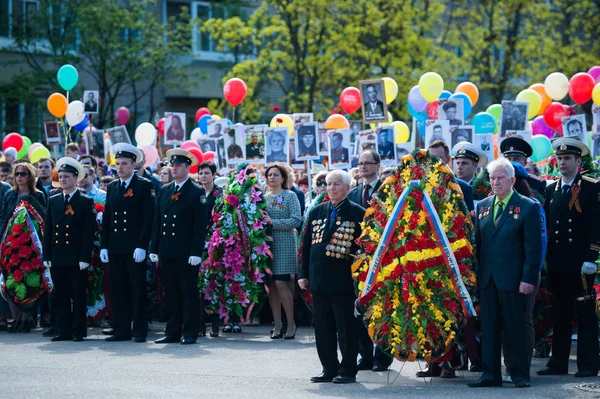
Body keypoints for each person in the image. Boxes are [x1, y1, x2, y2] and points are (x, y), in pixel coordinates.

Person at [468, 158, 541, 389]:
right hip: (488, 280)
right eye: (492, 178)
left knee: (515, 328)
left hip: (514, 279)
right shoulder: (482, 206)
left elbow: (533, 248)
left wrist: (528, 279)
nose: (495, 182)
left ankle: (520, 375)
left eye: (500, 178)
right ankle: (490, 374)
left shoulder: (528, 207)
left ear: (512, 180)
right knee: (489, 329)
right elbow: (478, 245)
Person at [537, 138, 600, 378]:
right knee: (560, 313)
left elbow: (596, 225)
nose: (562, 162)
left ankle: (588, 364)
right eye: (560, 158)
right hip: (558, 262)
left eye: (567, 158)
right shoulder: (551, 189)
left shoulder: (591, 187)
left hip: (582, 262)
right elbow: (550, 227)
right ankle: (558, 362)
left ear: (578, 161)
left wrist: (592, 256)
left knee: (584, 314)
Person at [299, 170, 364, 384]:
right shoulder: (317, 211)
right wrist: (303, 274)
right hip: (318, 279)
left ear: (347, 187)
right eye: (329, 184)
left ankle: (347, 370)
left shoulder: (358, 213)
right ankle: (328, 368)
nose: (332, 188)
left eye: (337, 184)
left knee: (346, 329)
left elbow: (365, 249)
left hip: (344, 280)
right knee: (323, 329)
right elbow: (307, 246)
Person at [150, 149, 207, 345]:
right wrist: (154, 248)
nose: (174, 168)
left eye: (179, 165)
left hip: (186, 252)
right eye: (172, 165)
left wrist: (196, 252)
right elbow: (158, 220)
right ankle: (172, 331)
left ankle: (190, 331)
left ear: (187, 168)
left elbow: (199, 226)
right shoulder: (165, 190)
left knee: (188, 293)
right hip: (167, 250)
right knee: (171, 293)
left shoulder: (196, 191)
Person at [100, 143, 155, 343]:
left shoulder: (143, 185)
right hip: (116, 246)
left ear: (134, 165)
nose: (120, 168)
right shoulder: (113, 186)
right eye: (118, 164)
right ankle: (122, 329)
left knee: (137, 289)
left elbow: (148, 218)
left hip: (134, 248)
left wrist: (142, 245)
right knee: (118, 289)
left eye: (124, 164)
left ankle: (139, 329)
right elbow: (108, 218)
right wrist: (104, 245)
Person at [501, 161, 547, 383]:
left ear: (515, 181)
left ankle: (521, 368)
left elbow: (540, 242)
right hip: (506, 273)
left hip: (527, 273)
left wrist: (530, 274)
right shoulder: (501, 204)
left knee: (522, 319)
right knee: (507, 320)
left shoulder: (531, 205)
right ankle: (510, 366)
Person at [346, 150, 391, 372]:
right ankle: (366, 356)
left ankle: (382, 356)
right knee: (360, 306)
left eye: (367, 163)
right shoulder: (353, 194)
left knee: (381, 306)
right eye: (360, 163)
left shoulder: (388, 190)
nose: (363, 166)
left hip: (383, 258)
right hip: (359, 259)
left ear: (378, 165)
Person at [43, 158, 95, 342]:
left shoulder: (85, 201)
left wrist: (84, 256)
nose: (63, 180)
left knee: (78, 294)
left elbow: (88, 232)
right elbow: (48, 229)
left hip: (76, 256)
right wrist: (46, 255)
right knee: (61, 295)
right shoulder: (54, 200)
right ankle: (63, 330)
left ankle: (78, 330)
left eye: (66, 177)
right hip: (58, 255)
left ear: (75, 178)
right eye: (61, 176)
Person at [0, 163, 47, 333]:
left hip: (32, 245)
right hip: (11, 244)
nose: (19, 177)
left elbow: (43, 217)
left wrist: (28, 203)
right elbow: (4, 217)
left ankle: (27, 318)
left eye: (23, 174)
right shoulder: (9, 194)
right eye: (17, 174)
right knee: (12, 280)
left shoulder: (39, 195)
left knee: (29, 278)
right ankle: (17, 318)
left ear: (30, 176)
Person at [262, 164, 302, 339]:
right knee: (271, 286)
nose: (272, 177)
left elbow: (296, 220)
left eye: (276, 174)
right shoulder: (263, 198)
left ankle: (291, 322)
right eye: (269, 175)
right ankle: (277, 324)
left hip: (285, 246)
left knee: (281, 283)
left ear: (283, 178)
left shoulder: (290, 196)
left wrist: (273, 223)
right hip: (267, 246)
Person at [197, 161, 222, 337]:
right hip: (197, 243)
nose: (203, 176)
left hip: (214, 243)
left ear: (213, 174)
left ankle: (215, 325)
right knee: (198, 284)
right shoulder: (196, 192)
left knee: (212, 283)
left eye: (206, 173)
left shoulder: (219, 194)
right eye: (201, 173)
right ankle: (199, 325)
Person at [433, 141, 476, 212]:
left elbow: (469, 220)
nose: (433, 161)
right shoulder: (419, 186)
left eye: (438, 158)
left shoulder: (463, 188)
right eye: (458, 163)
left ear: (448, 159)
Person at [500, 137, 546, 202]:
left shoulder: (537, 183)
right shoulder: (496, 181)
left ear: (525, 162)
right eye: (508, 159)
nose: (511, 163)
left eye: (516, 159)